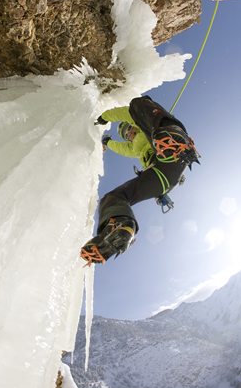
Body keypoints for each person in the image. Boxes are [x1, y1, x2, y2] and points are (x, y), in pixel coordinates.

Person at [80, 95, 200, 267]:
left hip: (170, 153)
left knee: (136, 105)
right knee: (113, 198)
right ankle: (119, 227)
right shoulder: (133, 149)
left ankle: (174, 138)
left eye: (129, 129)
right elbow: (121, 148)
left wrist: (105, 116)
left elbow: (125, 113)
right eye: (127, 135)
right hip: (161, 175)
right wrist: (108, 142)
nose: (130, 134)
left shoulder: (142, 128)